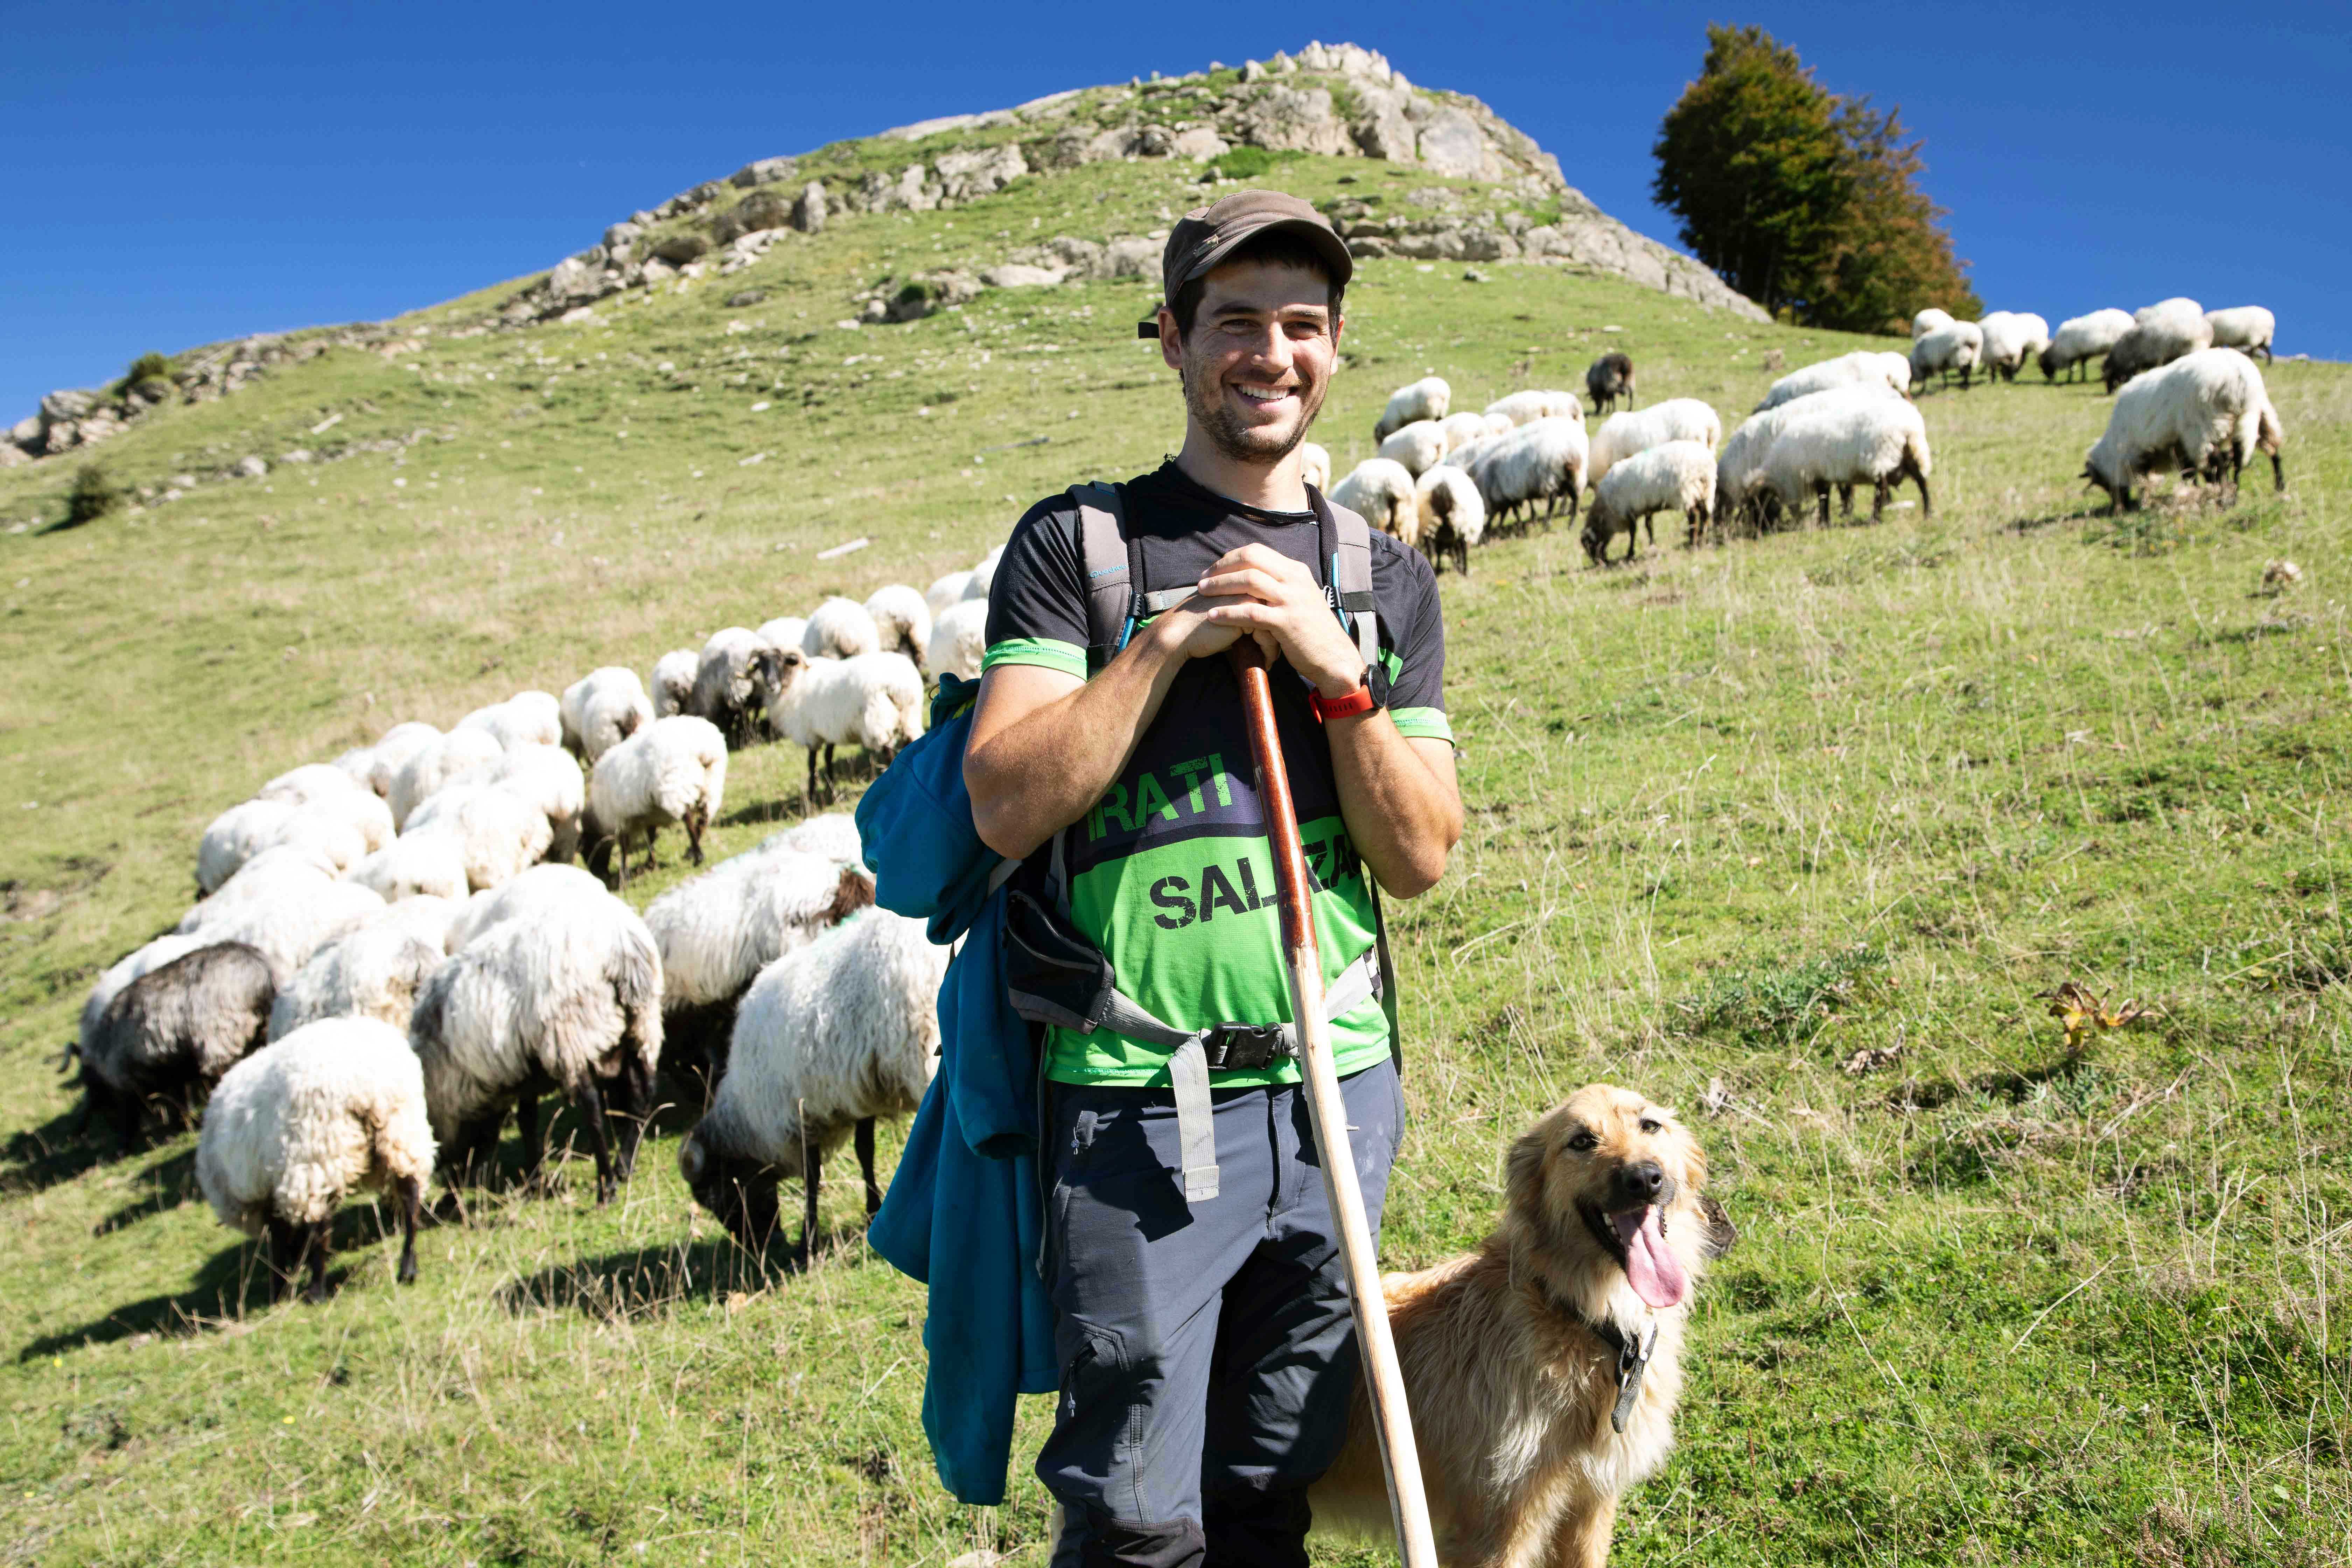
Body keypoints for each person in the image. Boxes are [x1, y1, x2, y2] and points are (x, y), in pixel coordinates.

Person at [962, 190, 1463, 1568]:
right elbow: (1005, 802)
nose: (1271, 353)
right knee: (1134, 1511)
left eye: (1302, 324)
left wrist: (1336, 674)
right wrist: (1165, 646)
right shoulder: (1083, 549)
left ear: (1338, 347)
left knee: (1265, 1487)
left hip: (1333, 1090)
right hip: (1137, 1104)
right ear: (1174, 339)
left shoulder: (1384, 579)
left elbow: (1419, 854)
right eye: (1235, 322)